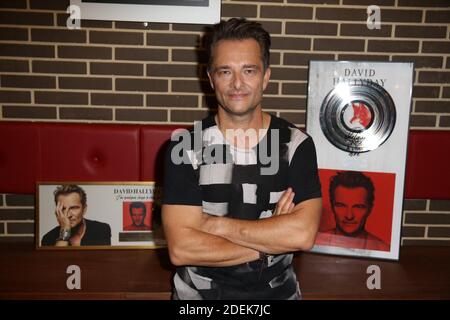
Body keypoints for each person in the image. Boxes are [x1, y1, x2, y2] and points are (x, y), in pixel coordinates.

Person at [162, 18, 322, 300]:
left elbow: (302, 236)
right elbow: (181, 249)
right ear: (211, 78)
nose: (237, 83)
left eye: (249, 70)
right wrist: (271, 238)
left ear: (266, 76)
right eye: (225, 71)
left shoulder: (297, 146)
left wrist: (212, 224)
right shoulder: (184, 148)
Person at [316, 171, 390, 251]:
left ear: (369, 209)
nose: (349, 216)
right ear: (332, 206)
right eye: (341, 206)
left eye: (358, 207)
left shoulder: (383, 249)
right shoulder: (315, 244)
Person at [41, 184, 111, 246]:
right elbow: (57, 260)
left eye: (74, 208)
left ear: (84, 209)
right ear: (57, 211)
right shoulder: (48, 238)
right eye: (63, 209)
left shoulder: (101, 229)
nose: (68, 215)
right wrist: (65, 230)